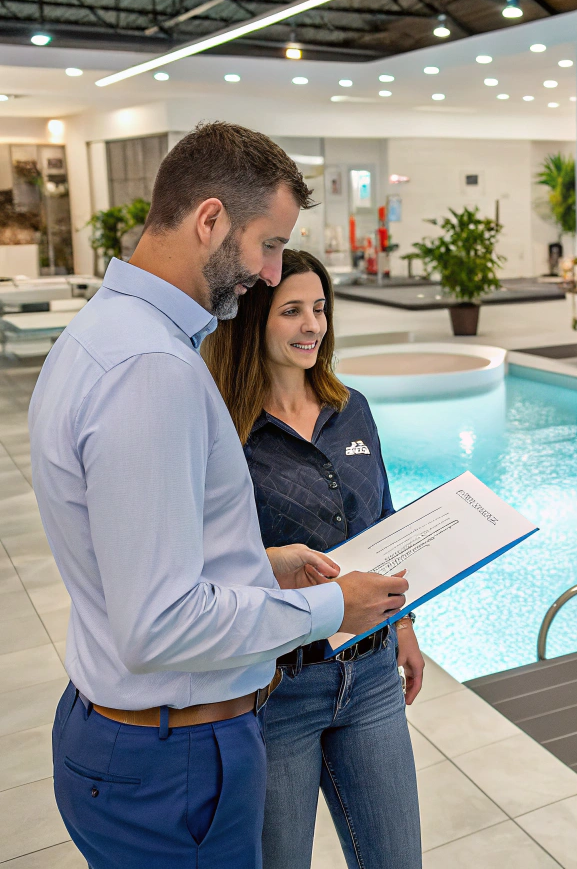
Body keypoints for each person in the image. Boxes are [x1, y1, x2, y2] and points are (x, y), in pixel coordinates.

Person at [29, 122, 409, 869]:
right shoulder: (152, 369)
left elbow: (134, 561)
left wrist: (260, 563)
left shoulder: (103, 338)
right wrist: (335, 607)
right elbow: (161, 623)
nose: (272, 275)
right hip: (175, 754)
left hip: (135, 735)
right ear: (210, 220)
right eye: (268, 246)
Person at [203, 248, 423, 869]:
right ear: (251, 321)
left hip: (372, 675)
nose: (312, 326)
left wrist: (403, 624)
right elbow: (208, 558)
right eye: (291, 311)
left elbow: (382, 518)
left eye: (320, 310)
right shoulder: (224, 428)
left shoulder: (350, 407)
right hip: (277, 685)